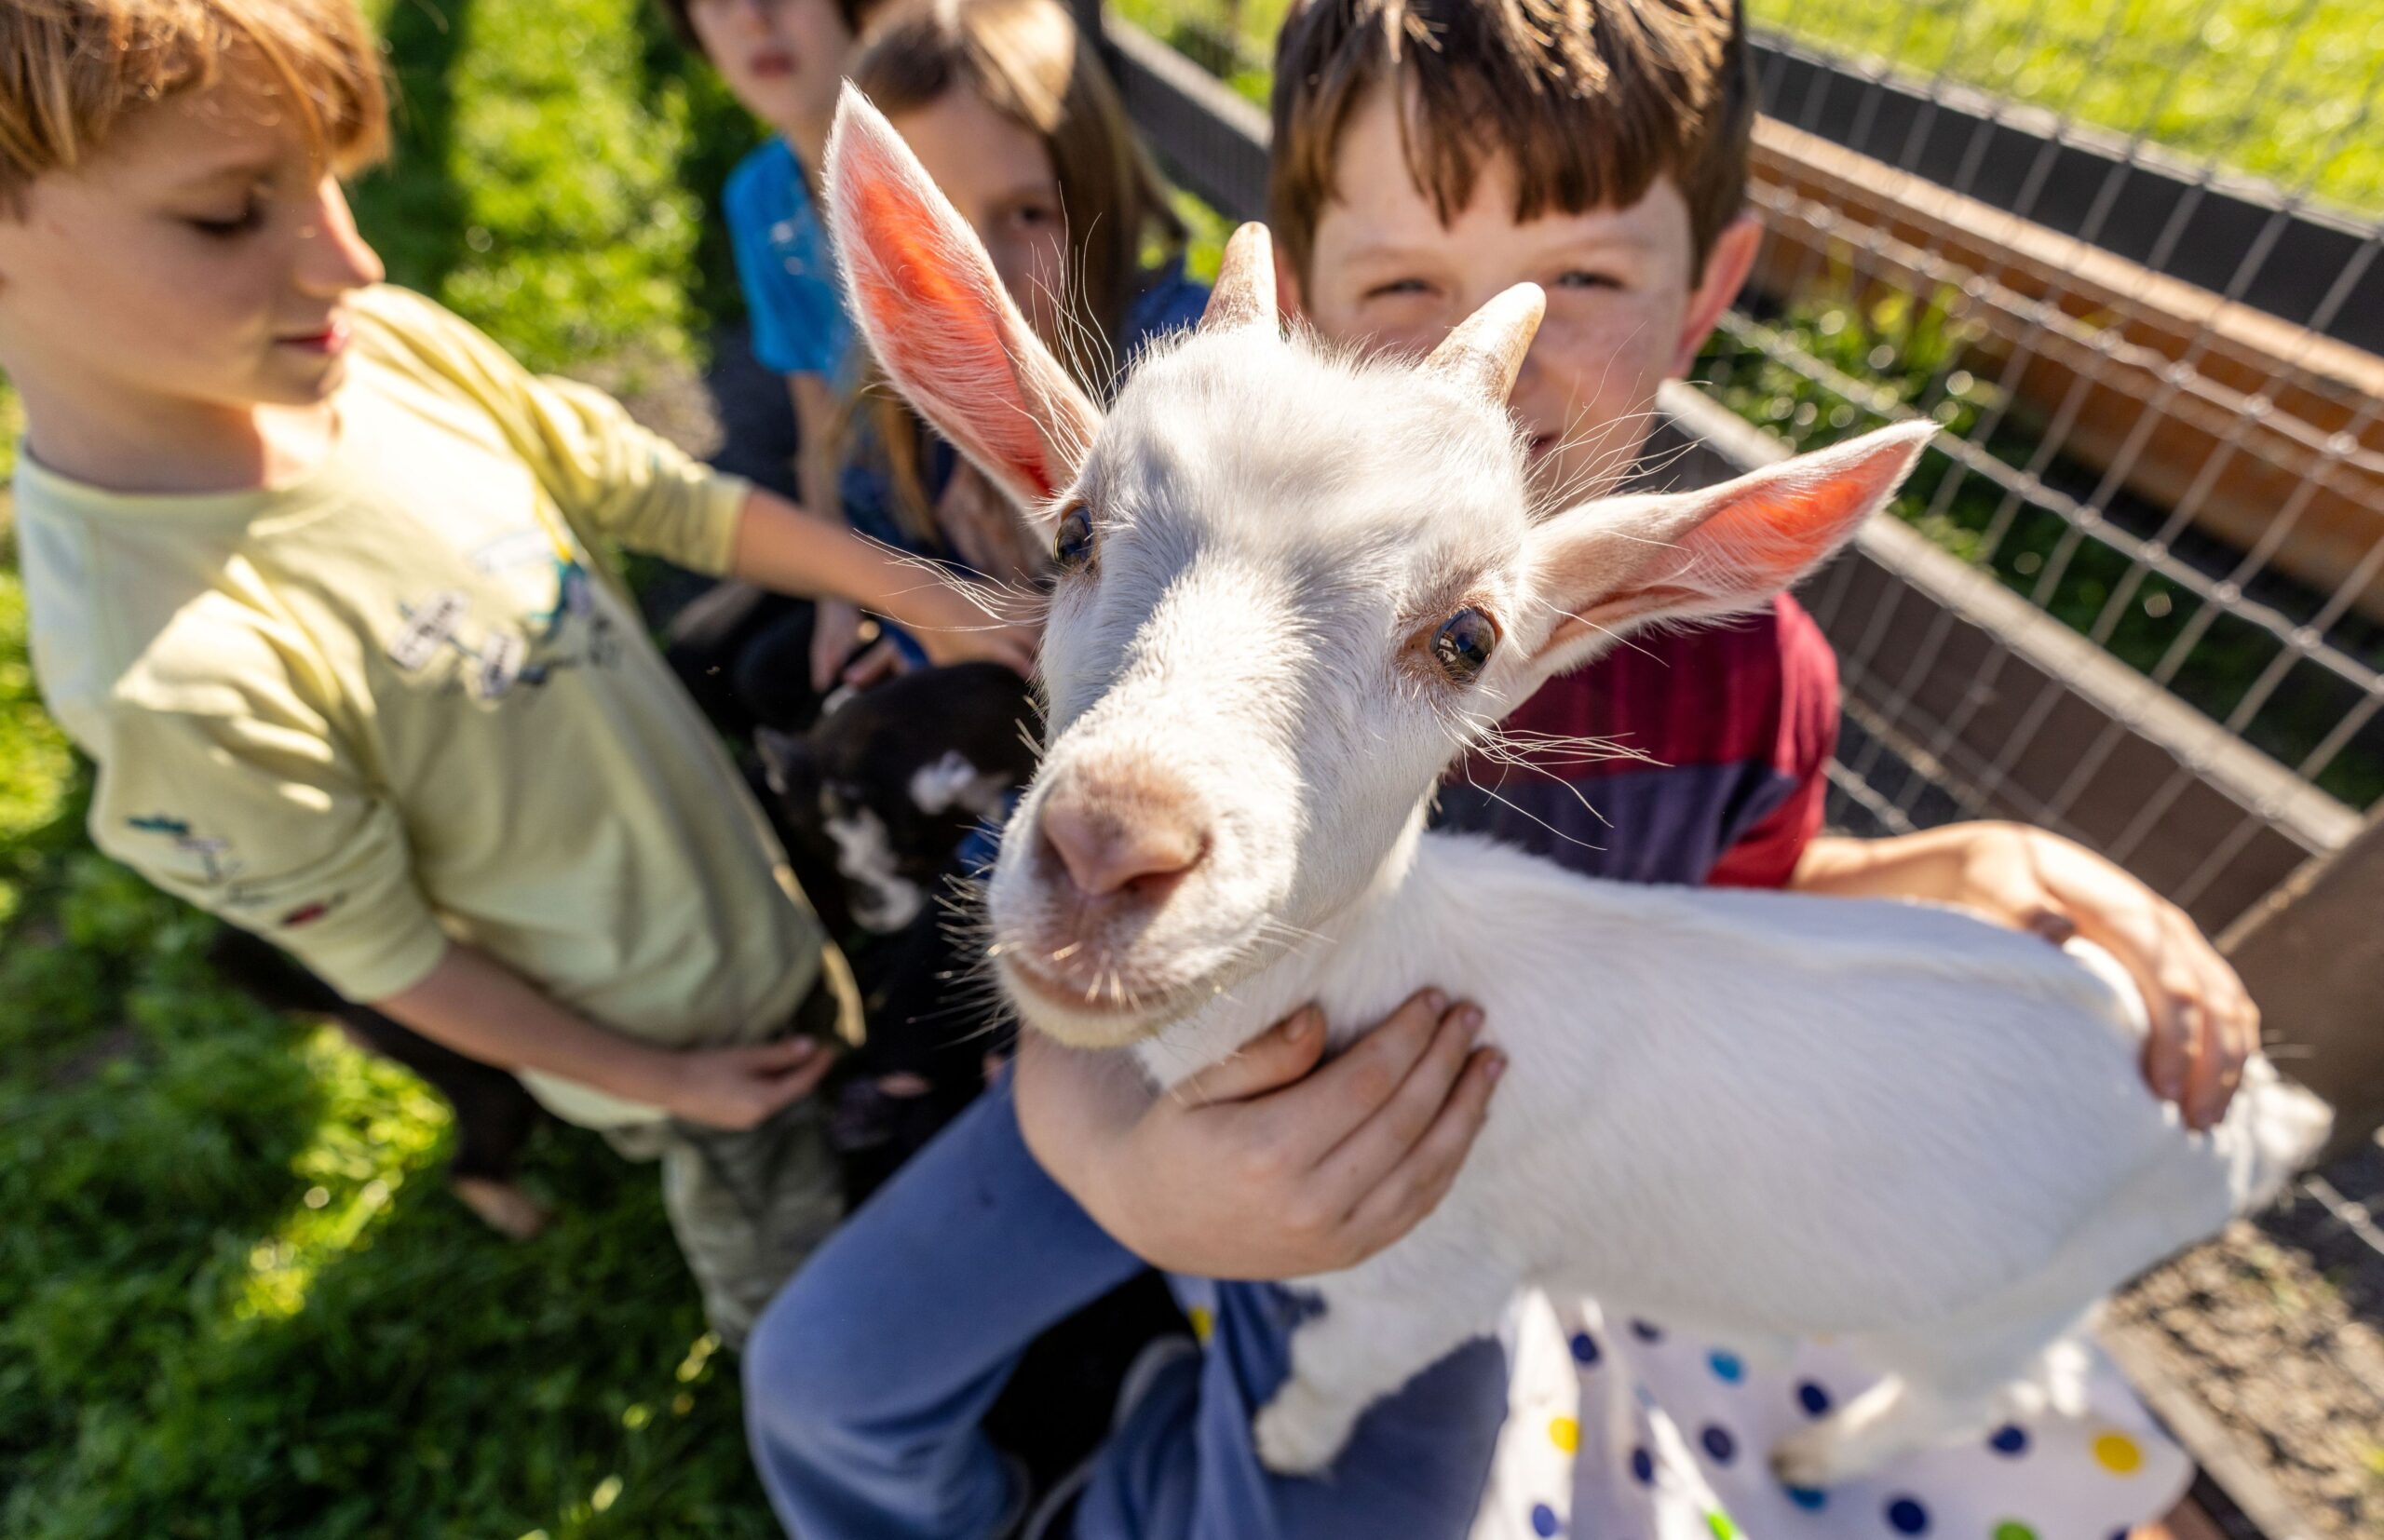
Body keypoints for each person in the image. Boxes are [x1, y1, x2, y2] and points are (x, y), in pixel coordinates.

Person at [741, 0, 2258, 1533]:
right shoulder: (1192, 510)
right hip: (1123, 1081)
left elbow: (1736, 898)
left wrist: (1952, 863)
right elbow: (1093, 850)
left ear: (1708, 288)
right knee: (818, 1381)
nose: (1494, 354)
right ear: (1311, 265)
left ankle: (1130, 1460)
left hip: (1428, 1188)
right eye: (1402, 278)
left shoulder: (1750, 674)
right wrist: (1120, 1166)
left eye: (1584, 276)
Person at [0, 0, 1031, 1350]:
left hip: (747, 893)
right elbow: (391, 957)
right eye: (229, 215)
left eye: (332, 186)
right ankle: (817, 1387)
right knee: (797, 1276)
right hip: (681, 1050)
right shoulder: (173, 674)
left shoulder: (385, 353)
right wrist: (661, 1077)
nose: (349, 262)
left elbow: (640, 487)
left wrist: (908, 587)